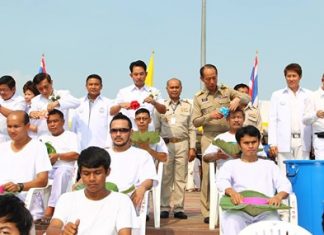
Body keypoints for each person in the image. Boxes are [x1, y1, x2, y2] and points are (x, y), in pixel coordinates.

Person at [192, 64, 250, 223]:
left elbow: (247, 98)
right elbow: (195, 122)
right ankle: (207, 212)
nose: (212, 81)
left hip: (230, 135)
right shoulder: (198, 97)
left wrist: (238, 98)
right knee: (208, 174)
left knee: (236, 170)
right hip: (210, 137)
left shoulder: (226, 90)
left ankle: (236, 204)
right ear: (202, 79)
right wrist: (210, 115)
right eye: (208, 78)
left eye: (214, 77)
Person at [216, 125, 292, 234]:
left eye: (254, 142)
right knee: (231, 221)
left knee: (274, 224)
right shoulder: (230, 165)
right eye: (246, 143)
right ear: (239, 145)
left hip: (266, 211)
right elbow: (222, 181)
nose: (251, 146)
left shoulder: (269, 165)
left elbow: (285, 184)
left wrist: (278, 196)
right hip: (239, 210)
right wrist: (232, 192)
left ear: (259, 142)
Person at [46, 146, 137, 235]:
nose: (92, 178)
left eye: (97, 173)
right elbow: (52, 229)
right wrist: (62, 233)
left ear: (108, 172)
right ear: (80, 174)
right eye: (86, 173)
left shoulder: (122, 201)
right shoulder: (66, 199)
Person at [155, 78, 196, 219]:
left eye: (176, 87)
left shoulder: (188, 106)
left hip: (182, 144)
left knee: (181, 178)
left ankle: (179, 208)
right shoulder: (160, 107)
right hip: (165, 145)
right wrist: (157, 148)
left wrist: (192, 148)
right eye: (171, 87)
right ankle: (164, 207)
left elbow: (192, 129)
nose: (174, 89)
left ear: (181, 88)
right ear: (167, 89)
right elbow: (156, 129)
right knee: (165, 177)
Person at [0, 111, 52, 219]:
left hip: (25, 201)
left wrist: (19, 187)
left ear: (27, 126)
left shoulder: (38, 147)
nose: (12, 130)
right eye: (9, 126)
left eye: (16, 126)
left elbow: (43, 180)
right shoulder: (2, 148)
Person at [107, 113, 157, 213]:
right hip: (100, 198)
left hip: (127, 201)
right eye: (114, 130)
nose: (118, 134)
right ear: (110, 133)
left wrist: (142, 187)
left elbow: (149, 179)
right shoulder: (103, 153)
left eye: (123, 130)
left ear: (131, 133)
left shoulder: (142, 155)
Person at [268, 63, 312, 174]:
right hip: (283, 142)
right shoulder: (277, 95)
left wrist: (313, 143)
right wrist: (272, 143)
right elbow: (273, 120)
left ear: (300, 77)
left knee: (302, 173)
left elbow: (312, 120)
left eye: (294, 76)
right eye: (289, 76)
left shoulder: (309, 95)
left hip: (303, 141)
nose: (291, 79)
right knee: (284, 174)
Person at [38, 109, 80, 222]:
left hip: (65, 167)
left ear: (63, 122)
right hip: (47, 169)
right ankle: (35, 211)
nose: (52, 124)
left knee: (61, 172)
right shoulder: (43, 138)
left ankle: (51, 207)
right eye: (49, 122)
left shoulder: (71, 136)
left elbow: (76, 154)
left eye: (55, 121)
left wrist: (58, 156)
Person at [110, 60, 166, 130]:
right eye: (136, 74)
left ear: (146, 74)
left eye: (141, 74)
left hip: (149, 134)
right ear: (131, 75)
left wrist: (154, 103)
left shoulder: (154, 91)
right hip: (129, 134)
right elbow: (112, 112)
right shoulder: (123, 92)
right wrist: (120, 106)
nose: (139, 77)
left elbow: (163, 110)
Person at [72, 74, 114, 150]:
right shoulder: (78, 103)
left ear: (101, 86)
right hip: (81, 147)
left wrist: (108, 146)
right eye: (90, 84)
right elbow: (74, 127)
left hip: (101, 146)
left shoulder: (109, 103)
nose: (93, 87)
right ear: (86, 86)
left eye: (96, 84)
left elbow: (110, 126)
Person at [303, 74, 324, 159]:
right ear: (322, 80)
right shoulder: (313, 96)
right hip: (321, 140)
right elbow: (305, 120)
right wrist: (316, 115)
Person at [0, 75, 25, 143]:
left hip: (12, 139)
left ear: (13, 89)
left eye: (4, 90)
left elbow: (17, 116)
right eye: (0, 90)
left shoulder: (20, 100)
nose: (1, 92)